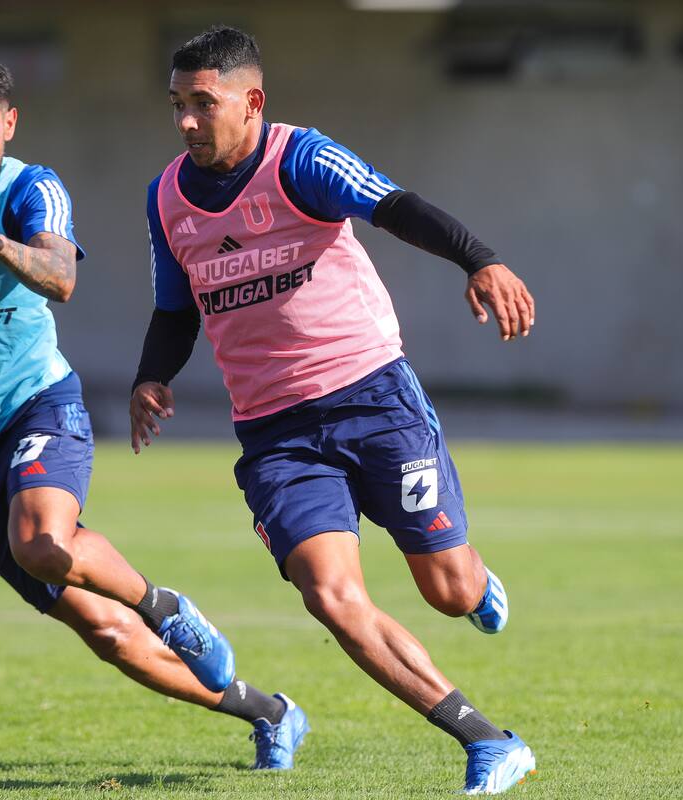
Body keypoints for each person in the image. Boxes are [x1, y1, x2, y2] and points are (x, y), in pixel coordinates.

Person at [0, 51, 306, 774]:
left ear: (9, 124)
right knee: (106, 634)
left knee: (42, 543)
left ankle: (165, 607)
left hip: (37, 406)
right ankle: (269, 712)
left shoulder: (30, 188)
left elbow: (61, 276)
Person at [130, 27, 537, 795]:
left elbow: (396, 207)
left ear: (252, 101)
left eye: (203, 104)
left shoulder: (301, 160)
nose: (185, 120)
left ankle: (476, 582)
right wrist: (151, 377)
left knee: (448, 592)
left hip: (373, 398)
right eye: (177, 103)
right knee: (332, 597)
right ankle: (488, 741)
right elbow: (175, 308)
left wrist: (480, 259)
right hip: (275, 434)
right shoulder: (166, 197)